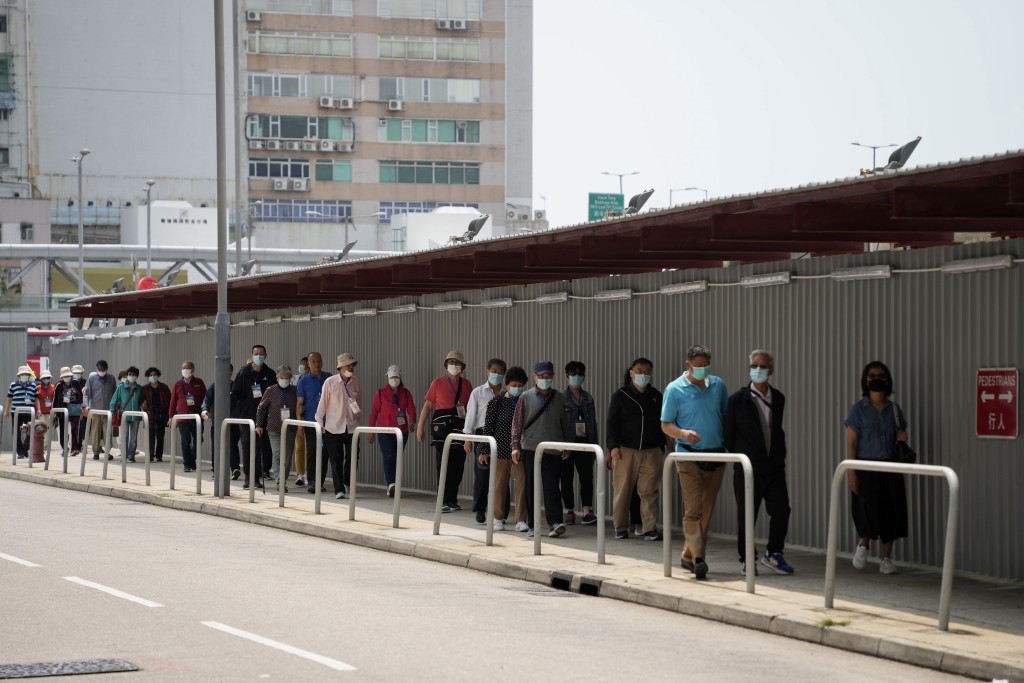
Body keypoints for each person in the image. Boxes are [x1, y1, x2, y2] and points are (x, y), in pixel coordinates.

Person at [660, 345, 729, 580]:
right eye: (698, 365)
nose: (702, 369)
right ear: (688, 365)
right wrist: (682, 434)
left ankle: (688, 555)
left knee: (707, 509)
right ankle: (699, 559)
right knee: (693, 509)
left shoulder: (718, 386)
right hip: (688, 455)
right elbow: (665, 424)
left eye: (705, 365)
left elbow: (724, 415)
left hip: (716, 454)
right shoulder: (674, 389)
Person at [724, 350, 794, 576]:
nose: (758, 370)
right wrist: (743, 457)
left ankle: (774, 554)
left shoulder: (779, 398)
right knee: (747, 515)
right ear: (749, 369)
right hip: (747, 468)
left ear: (771, 370)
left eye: (763, 366)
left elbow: (775, 429)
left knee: (781, 510)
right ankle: (747, 559)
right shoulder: (737, 400)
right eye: (754, 365)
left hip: (774, 468)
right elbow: (729, 434)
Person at [845, 360, 909, 575]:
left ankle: (886, 559)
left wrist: (902, 438)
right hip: (865, 466)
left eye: (881, 375)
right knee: (866, 509)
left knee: (891, 512)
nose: (876, 379)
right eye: (872, 376)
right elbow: (851, 443)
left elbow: (900, 436)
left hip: (889, 467)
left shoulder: (895, 410)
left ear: (887, 380)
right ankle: (864, 544)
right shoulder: (858, 410)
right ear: (865, 380)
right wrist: (852, 472)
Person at [607, 357, 666, 541]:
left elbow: (664, 422)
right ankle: (621, 527)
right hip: (625, 451)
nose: (643, 374)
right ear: (631, 373)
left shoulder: (657, 396)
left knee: (649, 491)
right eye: (639, 370)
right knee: (622, 490)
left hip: (651, 451)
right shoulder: (620, 395)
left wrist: (662, 447)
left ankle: (649, 528)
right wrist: (613, 447)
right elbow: (611, 423)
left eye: (647, 371)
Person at [511, 360, 570, 538]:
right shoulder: (525, 397)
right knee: (531, 486)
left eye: (549, 376)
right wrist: (515, 446)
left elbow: (564, 424)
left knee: (552, 486)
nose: (545, 379)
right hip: (530, 448)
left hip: (553, 448)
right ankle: (532, 524)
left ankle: (555, 523)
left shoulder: (559, 398)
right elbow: (517, 423)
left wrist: (567, 445)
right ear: (535, 376)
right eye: (542, 376)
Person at [416, 350, 471, 513]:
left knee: (458, 464)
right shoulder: (437, 383)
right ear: (446, 364)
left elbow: (471, 409)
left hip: (460, 427)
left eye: (457, 363)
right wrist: (420, 426)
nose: (454, 365)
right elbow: (428, 405)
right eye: (451, 362)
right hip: (441, 429)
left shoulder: (467, 384)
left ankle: (452, 499)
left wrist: (471, 434)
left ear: (462, 366)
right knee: (443, 464)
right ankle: (443, 500)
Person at [477, 366, 529, 531]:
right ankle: (497, 517)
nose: (517, 387)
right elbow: (488, 427)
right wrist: (484, 450)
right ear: (507, 385)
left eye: (520, 384)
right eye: (513, 384)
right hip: (500, 450)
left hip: (521, 451)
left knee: (522, 484)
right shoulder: (497, 402)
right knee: (499, 484)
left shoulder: (527, 401)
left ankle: (521, 519)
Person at [464, 358, 507, 524]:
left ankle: (499, 512)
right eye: (494, 371)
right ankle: (480, 509)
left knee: (501, 475)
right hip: (482, 435)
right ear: (487, 372)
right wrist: (468, 438)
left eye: (500, 372)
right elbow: (471, 415)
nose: (496, 374)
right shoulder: (478, 392)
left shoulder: (506, 393)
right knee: (482, 474)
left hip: (502, 435)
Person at [314, 353, 361, 499]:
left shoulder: (355, 382)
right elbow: (322, 406)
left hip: (352, 427)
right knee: (336, 459)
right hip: (333, 427)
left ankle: (347, 481)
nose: (351, 368)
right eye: (348, 365)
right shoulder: (330, 382)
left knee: (353, 457)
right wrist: (321, 425)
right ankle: (338, 489)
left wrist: (358, 419)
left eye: (352, 365)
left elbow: (358, 403)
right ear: (341, 367)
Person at [367, 364, 416, 498]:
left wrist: (412, 421)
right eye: (392, 377)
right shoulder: (381, 393)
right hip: (385, 431)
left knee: (397, 457)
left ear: (400, 378)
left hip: (401, 432)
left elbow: (411, 408)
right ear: (387, 377)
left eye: (396, 377)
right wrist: (371, 431)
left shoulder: (406, 393)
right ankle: (391, 484)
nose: (394, 379)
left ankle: (395, 484)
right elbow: (374, 413)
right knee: (389, 456)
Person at [230, 344, 276, 486]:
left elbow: (275, 396)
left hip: (264, 418)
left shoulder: (270, 374)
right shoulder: (244, 373)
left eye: (261, 354)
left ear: (266, 355)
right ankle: (249, 477)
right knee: (247, 447)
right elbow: (235, 394)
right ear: (252, 356)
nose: (259, 356)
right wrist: (230, 414)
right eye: (256, 354)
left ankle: (258, 475)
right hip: (246, 417)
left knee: (262, 448)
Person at [561, 360, 598, 525]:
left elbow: (593, 422)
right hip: (568, 444)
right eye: (573, 374)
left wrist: (594, 445)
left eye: (580, 374)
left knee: (586, 477)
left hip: (585, 443)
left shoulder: (588, 397)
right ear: (567, 376)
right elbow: (559, 422)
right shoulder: (561, 397)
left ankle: (587, 510)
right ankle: (569, 510)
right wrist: (561, 444)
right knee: (566, 478)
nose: (577, 377)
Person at [256, 365, 298, 491]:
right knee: (277, 453)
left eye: (287, 377)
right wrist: (259, 424)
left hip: (290, 427)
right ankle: (280, 482)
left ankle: (282, 479)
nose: (284, 379)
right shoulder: (270, 390)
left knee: (287, 456)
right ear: (277, 377)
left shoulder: (294, 390)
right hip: (274, 427)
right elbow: (261, 408)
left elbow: (300, 406)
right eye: (282, 377)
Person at [297, 351, 331, 491]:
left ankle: (320, 482)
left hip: (329, 423)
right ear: (308, 364)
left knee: (324, 453)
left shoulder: (329, 378)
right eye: (314, 362)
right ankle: (311, 481)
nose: (317, 364)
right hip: (311, 423)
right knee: (312, 452)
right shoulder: (303, 381)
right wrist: (300, 424)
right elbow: (299, 405)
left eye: (319, 361)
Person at [170, 360, 206, 473]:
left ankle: (192, 460)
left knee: (197, 440)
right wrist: (171, 416)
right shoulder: (178, 384)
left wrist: (205, 410)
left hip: (196, 416)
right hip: (182, 416)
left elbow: (205, 398)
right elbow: (173, 401)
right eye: (183, 368)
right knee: (185, 441)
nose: (184, 370)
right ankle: (187, 463)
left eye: (187, 368)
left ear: (192, 370)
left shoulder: (199, 382)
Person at [4, 365, 41, 459]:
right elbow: (9, 398)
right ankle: (20, 452)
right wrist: (6, 411)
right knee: (16, 432)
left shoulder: (33, 385)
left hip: (29, 412)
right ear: (19, 376)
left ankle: (25, 448)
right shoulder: (13, 385)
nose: (24, 375)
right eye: (23, 374)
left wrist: (39, 409)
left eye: (26, 374)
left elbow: (36, 399)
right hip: (16, 412)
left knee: (31, 431)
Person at [83, 360, 116, 459]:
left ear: (107, 369)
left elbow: (114, 393)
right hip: (95, 410)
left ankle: (107, 451)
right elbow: (86, 394)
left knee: (107, 432)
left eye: (104, 369)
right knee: (96, 431)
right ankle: (96, 452)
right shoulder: (91, 379)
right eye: (100, 369)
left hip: (108, 410)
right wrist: (86, 405)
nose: (102, 371)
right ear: (97, 369)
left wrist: (114, 407)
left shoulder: (111, 378)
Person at [109, 366, 143, 462]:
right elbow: (114, 400)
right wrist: (112, 411)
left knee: (133, 437)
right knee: (124, 436)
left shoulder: (139, 388)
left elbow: (143, 401)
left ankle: (131, 456)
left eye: (134, 375)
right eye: (130, 374)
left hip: (136, 416)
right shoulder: (121, 387)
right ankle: (124, 456)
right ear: (127, 375)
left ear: (137, 376)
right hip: (124, 415)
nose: (131, 376)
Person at [140, 367, 171, 463]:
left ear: (158, 375)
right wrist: (146, 408)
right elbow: (141, 401)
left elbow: (169, 400)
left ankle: (159, 455)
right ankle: (150, 455)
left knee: (160, 435)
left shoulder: (164, 387)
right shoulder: (145, 388)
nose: (152, 377)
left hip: (161, 414)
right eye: (150, 375)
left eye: (154, 375)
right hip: (150, 414)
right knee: (151, 435)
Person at [52, 366, 84, 456]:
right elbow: (54, 399)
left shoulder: (75, 383)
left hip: (74, 408)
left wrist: (81, 406)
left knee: (74, 428)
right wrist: (54, 411)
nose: (67, 378)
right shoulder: (58, 385)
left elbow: (80, 395)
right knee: (63, 429)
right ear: (61, 377)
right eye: (65, 376)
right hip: (63, 410)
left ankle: (74, 448)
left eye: (68, 376)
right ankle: (64, 447)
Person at [292, 356, 308, 484]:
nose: (302, 367)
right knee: (299, 447)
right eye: (301, 364)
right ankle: (300, 474)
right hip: (298, 418)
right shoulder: (295, 379)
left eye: (304, 365)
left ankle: (310, 473)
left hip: (311, 417)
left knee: (312, 447)